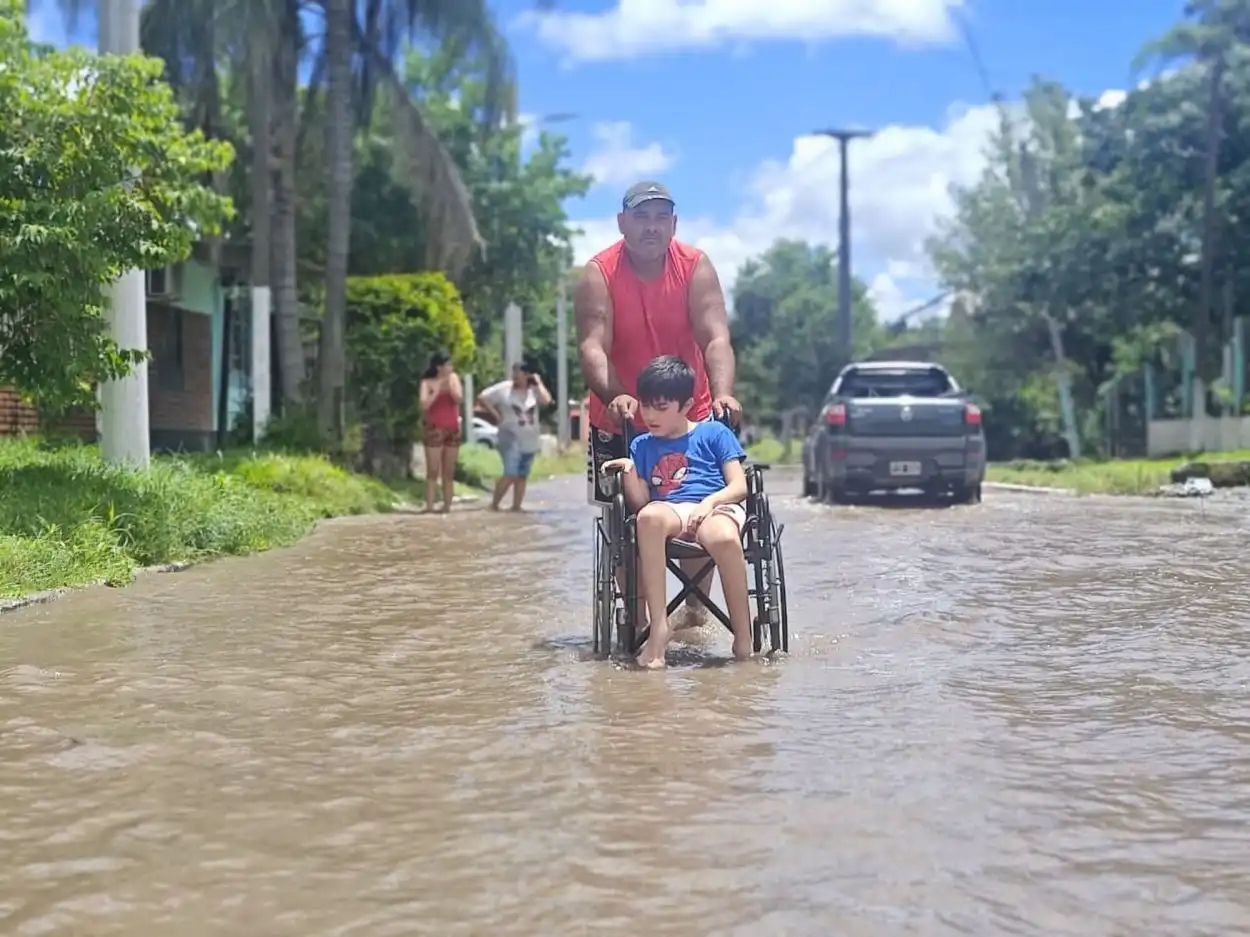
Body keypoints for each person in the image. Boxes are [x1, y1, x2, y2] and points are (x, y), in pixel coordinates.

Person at [575, 179, 742, 631]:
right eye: (641, 217)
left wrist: (723, 393)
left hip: (690, 412)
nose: (651, 227)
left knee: (698, 505)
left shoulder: (694, 266)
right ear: (622, 222)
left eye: (660, 218)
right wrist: (615, 395)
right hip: (621, 415)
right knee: (625, 520)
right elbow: (592, 346)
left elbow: (715, 337)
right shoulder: (599, 273)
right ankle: (640, 619)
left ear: (673, 224)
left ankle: (695, 607)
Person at [601, 355, 752, 669]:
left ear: (686, 405)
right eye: (645, 406)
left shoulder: (714, 434)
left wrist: (708, 505)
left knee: (723, 537)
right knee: (648, 518)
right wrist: (629, 471)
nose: (650, 415)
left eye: (661, 407)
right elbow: (641, 503)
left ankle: (743, 636)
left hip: (716, 504)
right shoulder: (642, 445)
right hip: (670, 510)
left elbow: (739, 486)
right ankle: (659, 627)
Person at [477, 359, 552, 511]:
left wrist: (538, 383)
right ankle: (494, 505)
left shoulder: (534, 390)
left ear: (527, 375)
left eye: (519, 373)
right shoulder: (504, 388)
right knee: (511, 472)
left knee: (522, 474)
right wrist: (496, 414)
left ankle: (516, 507)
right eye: (514, 372)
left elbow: (547, 400)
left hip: (529, 438)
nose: (516, 376)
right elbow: (482, 397)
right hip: (509, 435)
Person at [419, 349, 463, 513]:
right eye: (448, 365)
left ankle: (447, 505)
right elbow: (424, 404)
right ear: (439, 367)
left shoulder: (454, 378)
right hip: (434, 429)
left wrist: (450, 386)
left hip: (452, 429)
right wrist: (436, 390)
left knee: (449, 471)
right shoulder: (427, 383)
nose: (451, 368)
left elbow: (459, 398)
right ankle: (430, 505)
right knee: (432, 470)